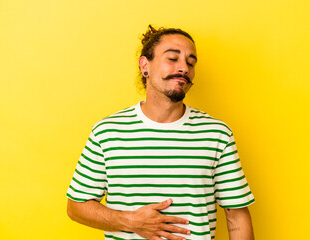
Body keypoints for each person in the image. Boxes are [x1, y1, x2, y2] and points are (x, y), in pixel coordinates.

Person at [67, 25, 255, 240]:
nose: (184, 67)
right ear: (145, 65)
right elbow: (76, 206)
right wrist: (131, 221)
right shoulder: (107, 132)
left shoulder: (217, 134)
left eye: (191, 62)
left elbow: (236, 214)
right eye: (173, 58)